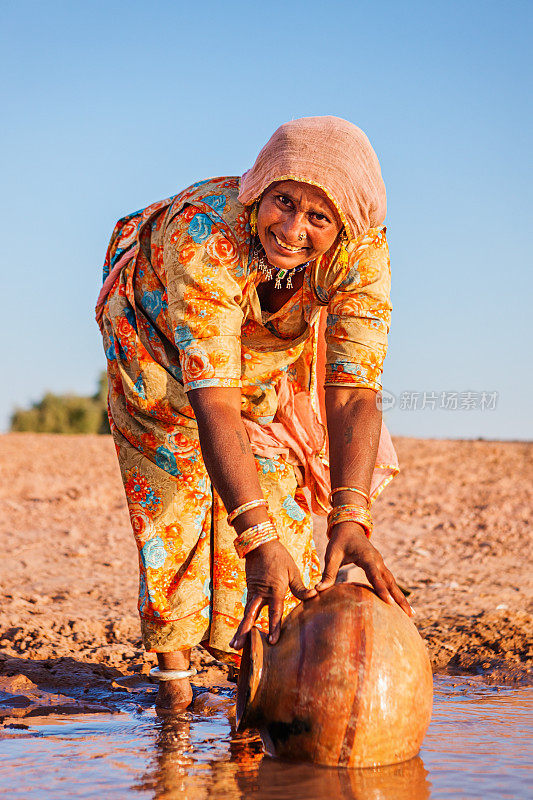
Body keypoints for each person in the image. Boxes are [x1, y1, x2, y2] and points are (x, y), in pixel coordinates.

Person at [95, 115, 412, 714]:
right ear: (259, 185)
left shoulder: (363, 255)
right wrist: (253, 533)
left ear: (345, 226)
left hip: (265, 352)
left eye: (318, 218)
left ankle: (255, 684)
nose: (292, 228)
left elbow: (353, 391)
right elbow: (212, 398)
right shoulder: (206, 232)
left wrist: (352, 517)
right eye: (282, 201)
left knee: (279, 507)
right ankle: (175, 689)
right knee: (175, 502)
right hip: (155, 342)